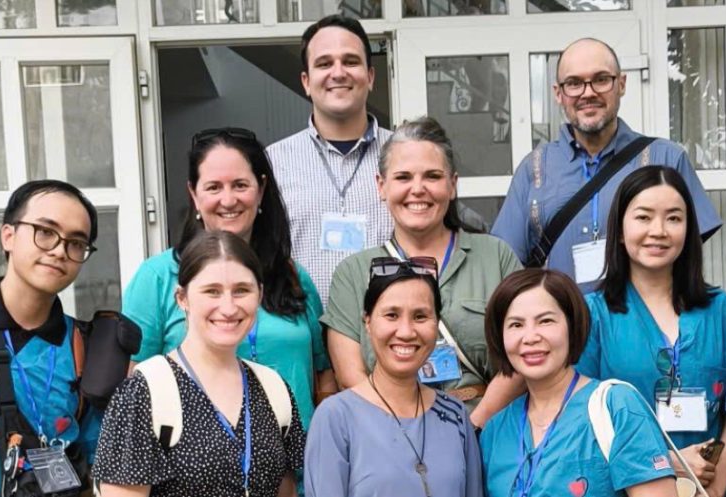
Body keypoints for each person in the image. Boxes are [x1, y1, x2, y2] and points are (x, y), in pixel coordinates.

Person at [123, 127, 334, 428]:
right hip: (197, 469)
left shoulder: (292, 276)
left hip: (298, 466)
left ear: (260, 190)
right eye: (213, 187)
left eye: (239, 185)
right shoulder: (158, 277)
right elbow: (135, 380)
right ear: (194, 195)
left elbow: (324, 374)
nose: (228, 199)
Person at [321, 117, 522, 428]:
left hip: (487, 432)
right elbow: (350, 376)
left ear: (452, 185)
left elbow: (521, 356)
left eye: (432, 176)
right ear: (381, 186)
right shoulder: (353, 273)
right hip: (388, 437)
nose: (418, 189)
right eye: (403, 177)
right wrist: (404, 437)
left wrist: (471, 429)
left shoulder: (495, 257)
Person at [491, 38, 720, 289]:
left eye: (601, 79)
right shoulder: (533, 168)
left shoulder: (666, 159)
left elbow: (688, 254)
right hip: (563, 323)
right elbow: (506, 264)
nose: (588, 93)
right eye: (574, 83)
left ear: (621, 84)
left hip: (643, 324)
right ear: (558, 93)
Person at [576, 166, 726, 497]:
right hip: (629, 488)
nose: (659, 231)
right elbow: (585, 422)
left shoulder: (723, 311)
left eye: (673, 218)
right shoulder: (591, 315)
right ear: (621, 231)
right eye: (643, 217)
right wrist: (671, 462)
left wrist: (714, 487)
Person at [94, 231, 304, 497]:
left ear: (259, 295)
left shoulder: (274, 389)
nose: (228, 308)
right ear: (182, 298)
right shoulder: (144, 392)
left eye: (241, 290)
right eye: (212, 292)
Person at [0, 180, 104, 496]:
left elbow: (95, 460)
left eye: (76, 243)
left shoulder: (83, 348)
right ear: (8, 235)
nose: (59, 250)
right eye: (45, 232)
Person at [480, 269, 677, 497]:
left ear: (572, 327)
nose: (530, 337)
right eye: (516, 325)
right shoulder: (495, 431)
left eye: (545, 321)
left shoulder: (617, 407)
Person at [304, 257, 483, 497]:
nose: (406, 332)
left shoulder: (455, 415)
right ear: (367, 322)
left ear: (437, 324)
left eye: (420, 316)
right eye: (391, 315)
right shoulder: (336, 417)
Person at [267, 15, 394, 306]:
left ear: (370, 76)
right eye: (324, 64)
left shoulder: (405, 157)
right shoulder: (273, 163)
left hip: (389, 338)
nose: (338, 73)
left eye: (350, 61)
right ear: (306, 81)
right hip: (302, 334)